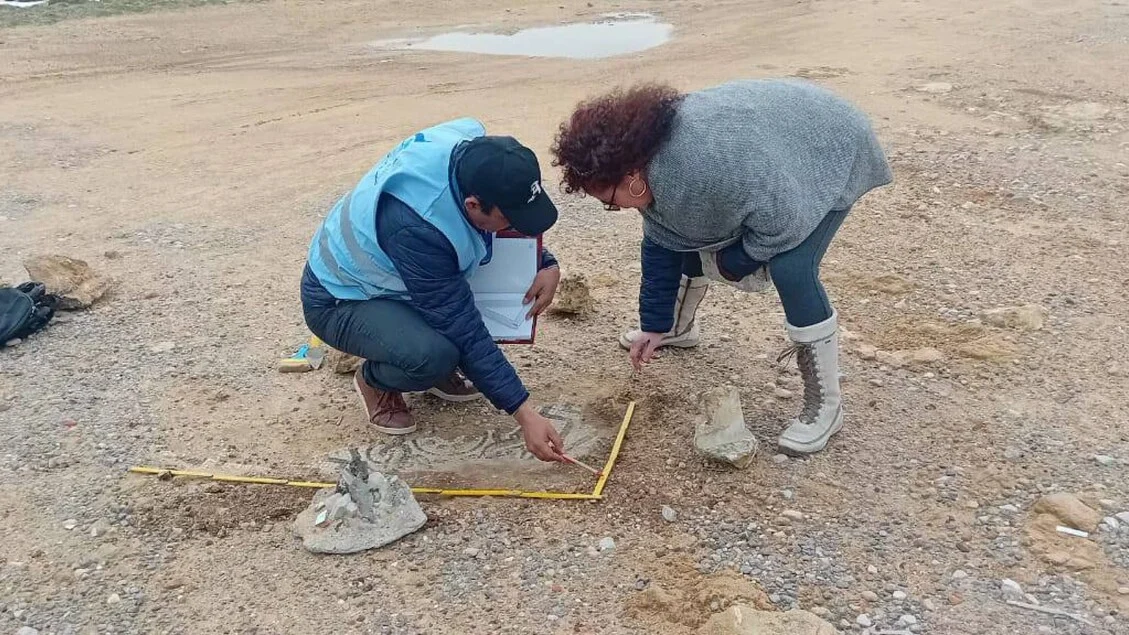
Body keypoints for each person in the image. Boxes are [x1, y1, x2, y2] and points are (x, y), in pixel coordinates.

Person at [551, 79, 892, 455]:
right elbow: (664, 242)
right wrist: (654, 325)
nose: (615, 209)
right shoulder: (654, 169)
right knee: (688, 239)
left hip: (826, 148)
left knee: (791, 268)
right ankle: (678, 330)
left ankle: (826, 407)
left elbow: (784, 223)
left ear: (630, 176)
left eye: (609, 201)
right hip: (768, 144)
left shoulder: (707, 168)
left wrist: (734, 263)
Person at [302, 117, 566, 462]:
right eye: (510, 219)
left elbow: (499, 226)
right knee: (434, 354)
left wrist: (545, 263)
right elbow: (462, 326)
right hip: (341, 298)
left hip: (399, 278)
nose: (515, 227)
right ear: (473, 205)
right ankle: (375, 380)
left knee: (452, 337)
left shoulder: (473, 154)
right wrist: (525, 414)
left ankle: (432, 364)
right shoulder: (419, 226)